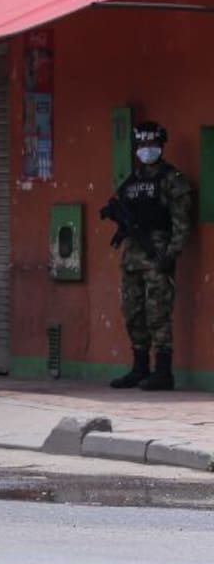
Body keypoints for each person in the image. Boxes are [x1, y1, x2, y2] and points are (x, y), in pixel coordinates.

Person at [105, 121, 193, 391]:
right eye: (142, 144)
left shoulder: (171, 179)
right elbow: (122, 207)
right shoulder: (133, 180)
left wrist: (171, 254)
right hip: (132, 258)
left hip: (157, 257)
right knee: (133, 313)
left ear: (160, 145)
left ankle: (163, 372)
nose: (146, 148)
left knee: (158, 314)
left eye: (151, 144)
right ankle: (140, 367)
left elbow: (181, 222)